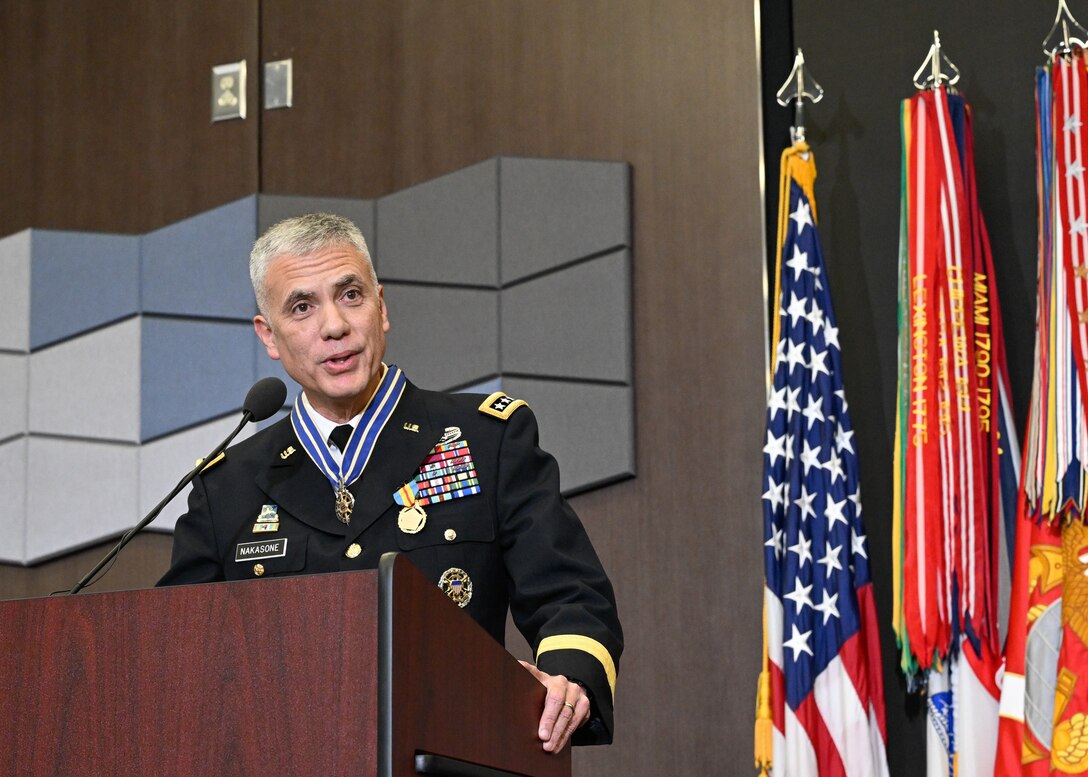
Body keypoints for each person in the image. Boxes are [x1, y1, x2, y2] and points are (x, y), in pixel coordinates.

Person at [158, 213, 622, 752]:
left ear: (382, 308)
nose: (334, 325)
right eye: (302, 307)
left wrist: (569, 680)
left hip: (450, 751)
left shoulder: (487, 438)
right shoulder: (227, 488)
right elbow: (177, 658)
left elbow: (571, 594)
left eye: (350, 295)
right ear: (269, 336)